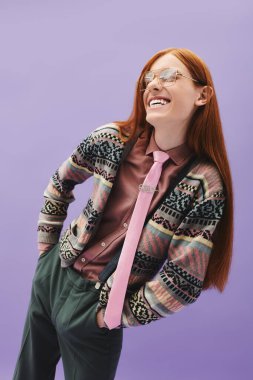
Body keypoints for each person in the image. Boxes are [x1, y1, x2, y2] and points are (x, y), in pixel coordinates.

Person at [12, 47, 234, 380]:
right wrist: (47, 255)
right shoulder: (112, 139)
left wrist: (116, 315)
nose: (155, 84)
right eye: (150, 78)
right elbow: (60, 183)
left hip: (98, 306)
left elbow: (183, 280)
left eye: (171, 76)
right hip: (55, 275)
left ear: (203, 94)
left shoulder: (204, 184)